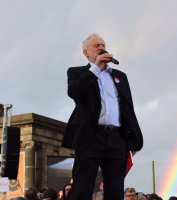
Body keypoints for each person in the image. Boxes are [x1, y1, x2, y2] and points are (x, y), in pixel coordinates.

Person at [62, 33, 143, 200]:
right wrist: (95, 68)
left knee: (115, 187)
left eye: (103, 45)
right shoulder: (77, 72)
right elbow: (75, 92)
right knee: (82, 186)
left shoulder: (120, 76)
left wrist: (133, 139)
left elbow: (127, 108)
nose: (101, 48)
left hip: (116, 137)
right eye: (96, 46)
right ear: (85, 53)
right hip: (90, 136)